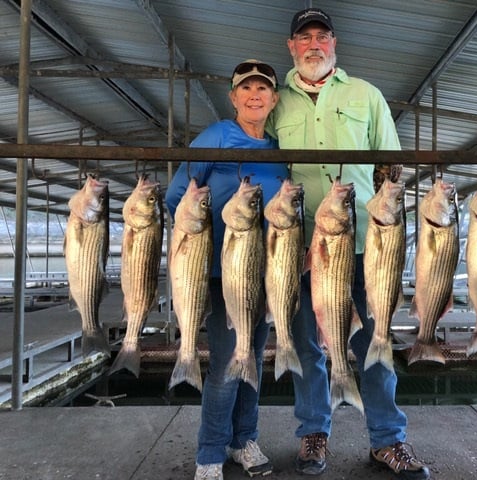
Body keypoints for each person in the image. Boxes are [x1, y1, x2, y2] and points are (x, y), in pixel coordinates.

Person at [268, 8, 431, 480]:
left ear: (334, 44)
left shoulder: (366, 95)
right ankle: (313, 432)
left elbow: (391, 163)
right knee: (305, 343)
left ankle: (388, 440)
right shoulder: (277, 103)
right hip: (300, 247)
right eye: (304, 38)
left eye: (322, 36)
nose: (313, 45)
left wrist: (384, 199)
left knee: (375, 339)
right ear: (291, 47)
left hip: (365, 246)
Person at [166, 59, 287, 480]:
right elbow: (177, 194)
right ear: (234, 97)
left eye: (263, 89)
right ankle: (209, 454)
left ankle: (243, 441)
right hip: (219, 274)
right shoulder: (218, 135)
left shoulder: (277, 149)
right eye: (246, 88)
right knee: (223, 364)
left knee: (251, 358)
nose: (255, 94)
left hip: (264, 272)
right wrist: (201, 225)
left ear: (273, 99)